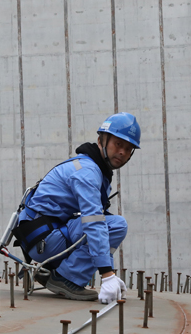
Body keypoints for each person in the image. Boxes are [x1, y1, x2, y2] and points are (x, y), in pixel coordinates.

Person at [13, 113, 140, 303]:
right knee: (115, 225)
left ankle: (59, 275)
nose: (122, 151)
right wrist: (107, 274)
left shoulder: (95, 170)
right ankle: (65, 278)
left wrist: (110, 272)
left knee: (113, 224)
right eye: (118, 144)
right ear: (101, 141)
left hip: (45, 235)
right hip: (44, 238)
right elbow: (94, 222)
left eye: (129, 148)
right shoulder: (88, 172)